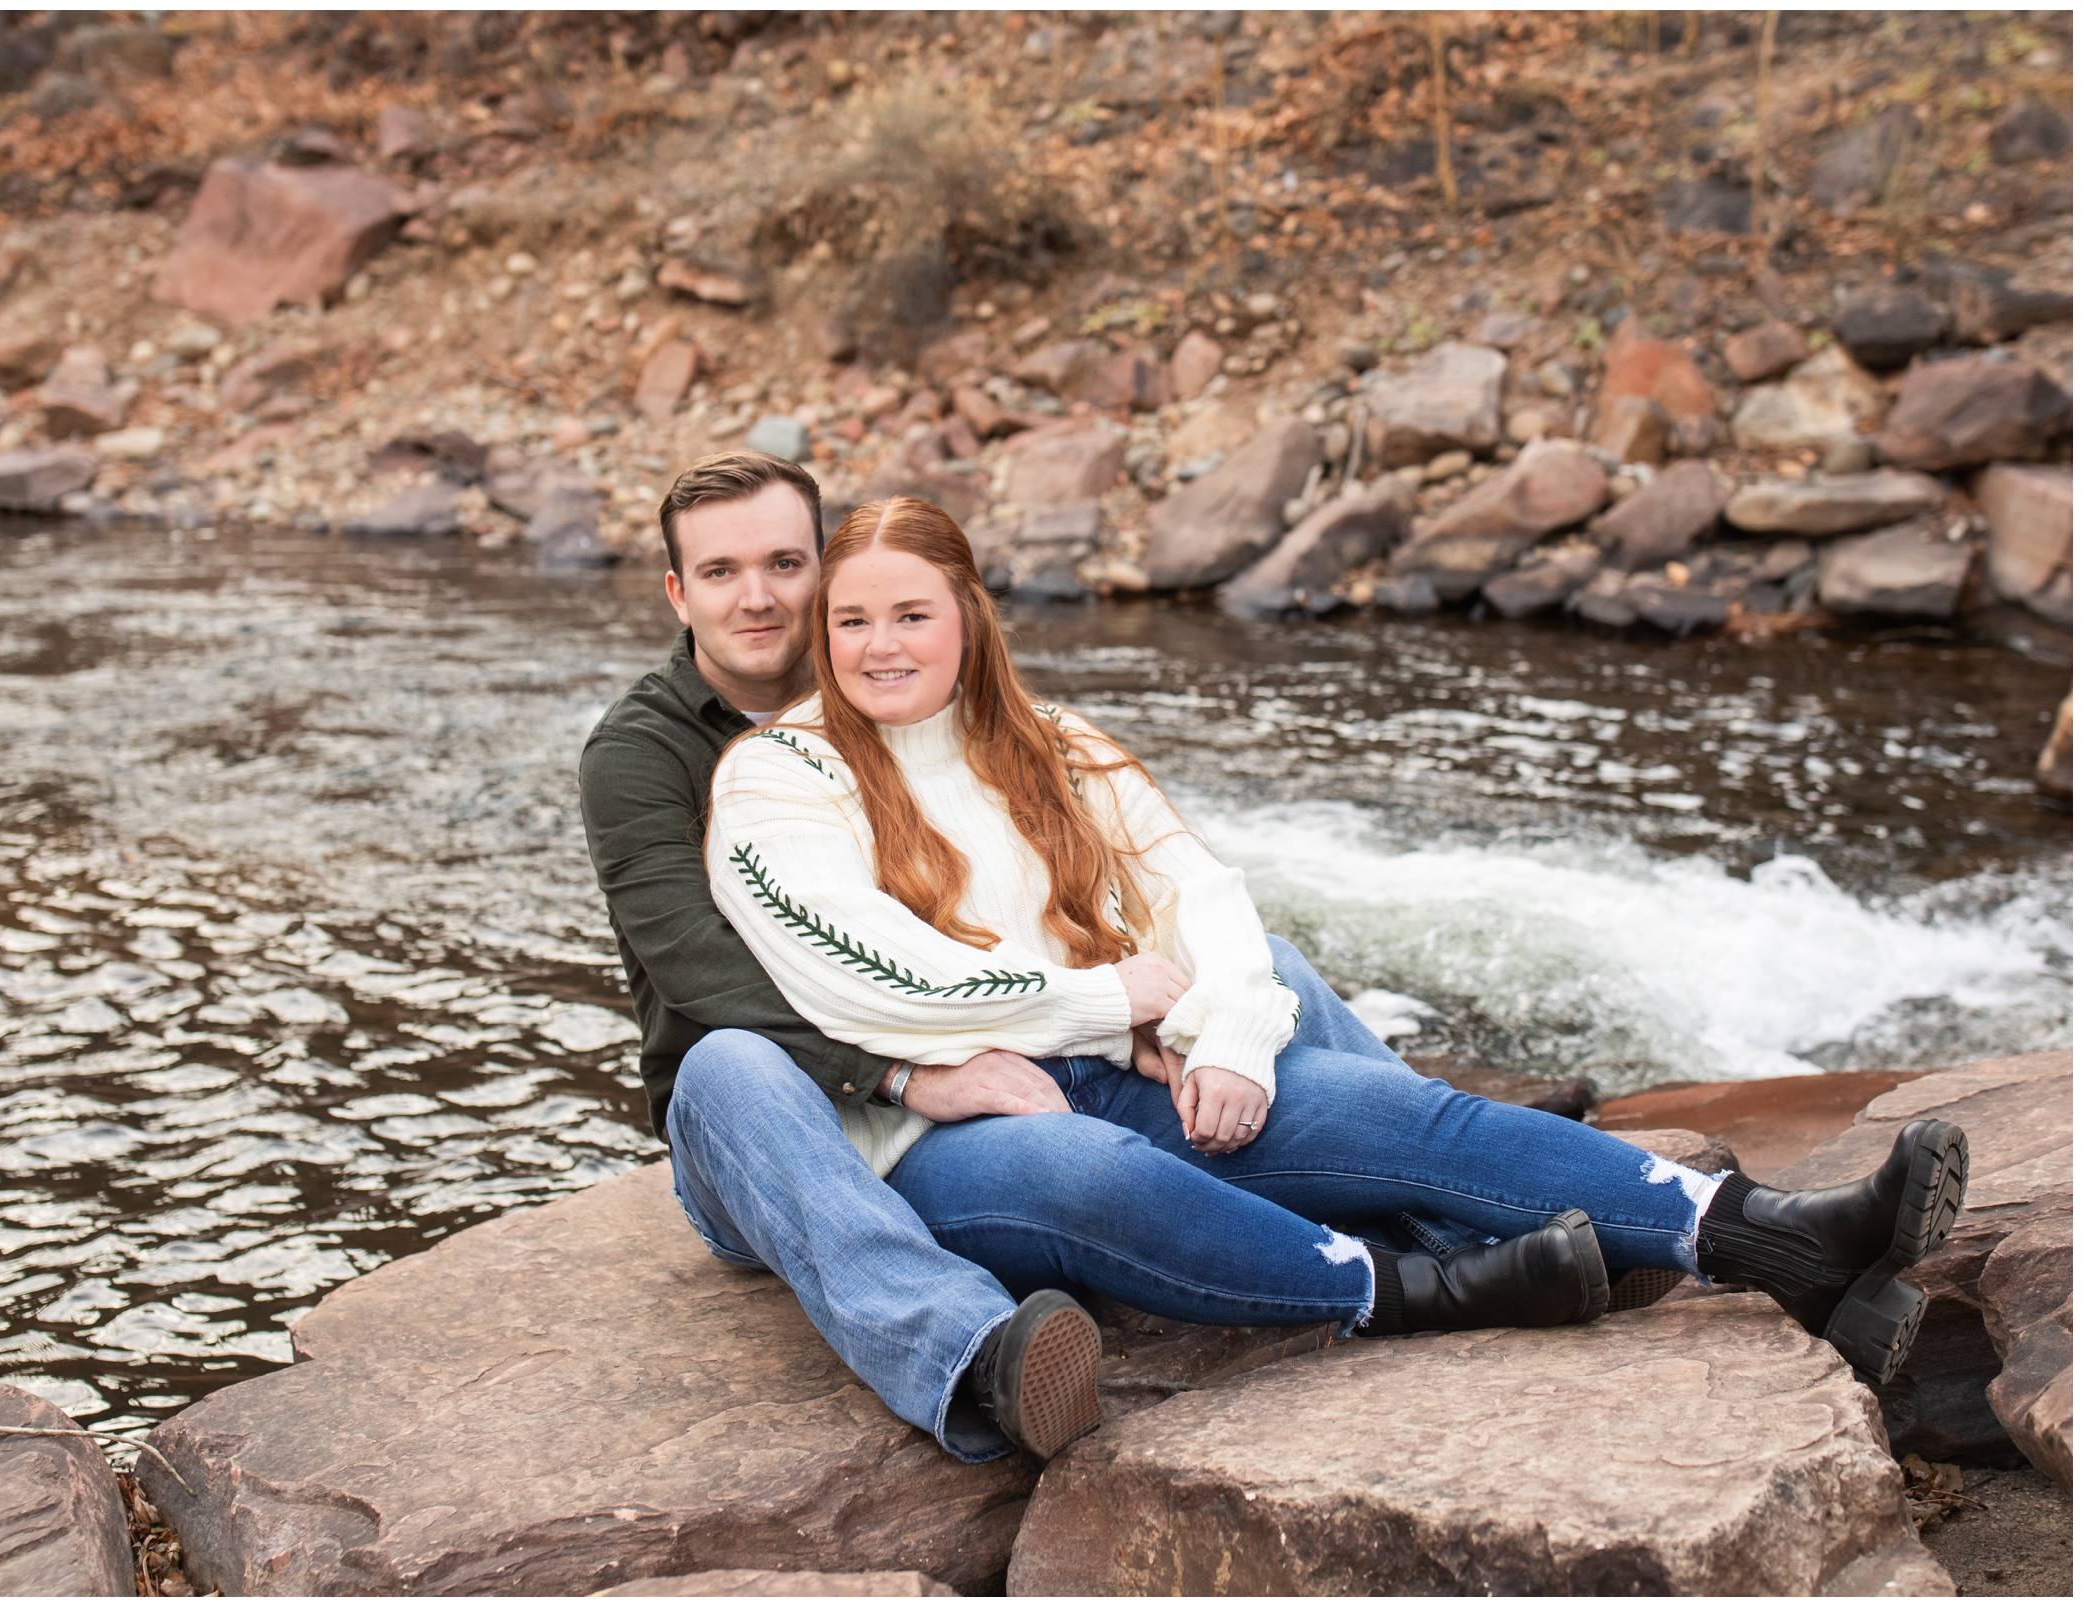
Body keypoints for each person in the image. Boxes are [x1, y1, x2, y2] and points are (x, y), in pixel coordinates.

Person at [680, 491, 1967, 1463]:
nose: (882, 644)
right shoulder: (777, 778)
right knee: (1099, 1176)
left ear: (969, 616)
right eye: (853, 620)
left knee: (1402, 1113)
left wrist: (1229, 1029)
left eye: (912, 613)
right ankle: (1401, 1290)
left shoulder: (1052, 741)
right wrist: (1112, 999)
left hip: (1138, 1056)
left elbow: (1207, 893)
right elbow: (861, 974)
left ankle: (1773, 1238)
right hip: (936, 1124)